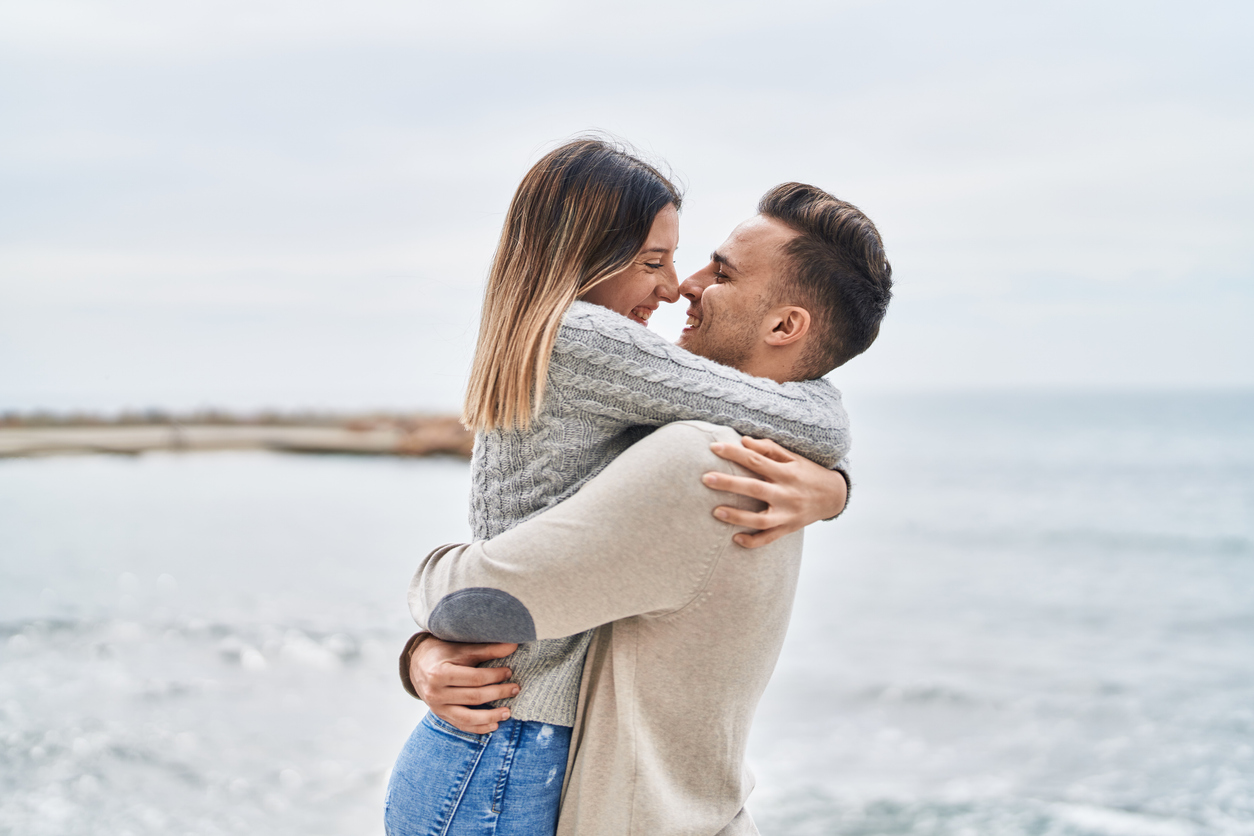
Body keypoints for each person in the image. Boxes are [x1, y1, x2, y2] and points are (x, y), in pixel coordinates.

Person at [383, 141, 863, 836]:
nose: (677, 287)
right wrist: (834, 486)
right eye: (652, 262)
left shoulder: (574, 345)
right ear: (584, 257)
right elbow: (811, 416)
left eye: (690, 263)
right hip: (507, 746)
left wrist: (831, 490)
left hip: (506, 741)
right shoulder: (586, 340)